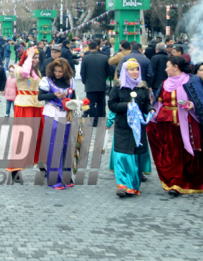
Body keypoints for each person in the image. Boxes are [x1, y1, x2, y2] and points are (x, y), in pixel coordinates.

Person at [147, 56, 203, 196]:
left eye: (168, 66)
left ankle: (190, 180)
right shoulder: (165, 82)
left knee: (189, 154)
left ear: (175, 67)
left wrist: (192, 105)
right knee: (172, 153)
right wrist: (153, 114)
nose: (165, 69)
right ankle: (175, 183)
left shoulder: (192, 80)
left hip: (188, 124)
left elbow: (199, 99)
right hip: (167, 124)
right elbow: (159, 102)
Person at [107, 59, 153, 197]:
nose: (135, 72)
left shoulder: (142, 88)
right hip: (122, 127)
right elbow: (112, 105)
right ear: (125, 71)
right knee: (122, 156)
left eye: (137, 69)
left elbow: (145, 104)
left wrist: (150, 109)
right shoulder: (118, 87)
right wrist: (126, 105)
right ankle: (122, 185)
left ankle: (132, 186)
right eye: (131, 69)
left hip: (137, 129)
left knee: (136, 156)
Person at [38, 58, 76, 189]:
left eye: (60, 71)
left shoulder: (71, 81)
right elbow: (40, 97)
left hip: (67, 115)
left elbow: (74, 97)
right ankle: (55, 179)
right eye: (56, 71)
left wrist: (77, 104)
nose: (58, 74)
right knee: (55, 146)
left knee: (66, 146)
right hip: (52, 113)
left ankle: (66, 177)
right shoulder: (47, 80)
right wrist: (54, 95)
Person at [9, 47, 45, 171]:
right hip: (24, 105)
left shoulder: (38, 72)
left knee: (40, 135)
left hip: (38, 105)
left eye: (37, 57)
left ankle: (41, 162)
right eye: (34, 57)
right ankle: (16, 168)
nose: (37, 60)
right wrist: (29, 57)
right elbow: (25, 73)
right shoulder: (17, 69)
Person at [80, 40, 112, 127]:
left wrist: (85, 81)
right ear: (98, 47)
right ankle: (100, 120)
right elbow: (108, 71)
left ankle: (93, 121)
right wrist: (103, 79)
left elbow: (82, 72)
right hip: (101, 84)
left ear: (89, 47)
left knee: (90, 103)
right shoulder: (104, 57)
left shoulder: (85, 58)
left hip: (90, 84)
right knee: (101, 103)